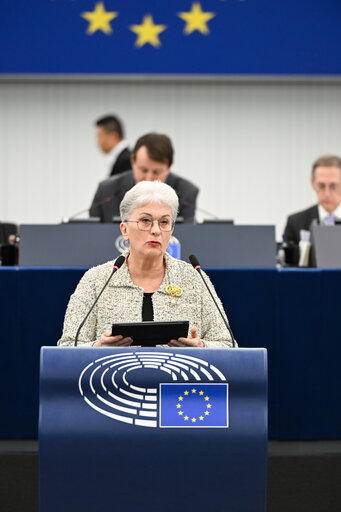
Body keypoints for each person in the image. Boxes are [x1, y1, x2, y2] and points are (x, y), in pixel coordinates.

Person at [58, 181, 233, 348]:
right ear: (125, 230)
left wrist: (202, 346)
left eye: (164, 222)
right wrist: (97, 347)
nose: (156, 230)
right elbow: (66, 346)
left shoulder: (194, 279)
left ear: (171, 229)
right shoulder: (96, 281)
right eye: (145, 221)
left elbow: (228, 344)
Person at [89, 133, 199, 223]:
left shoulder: (186, 192)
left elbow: (185, 237)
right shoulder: (106, 191)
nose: (149, 178)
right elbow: (93, 234)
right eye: (143, 170)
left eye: (156, 172)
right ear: (133, 162)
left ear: (169, 166)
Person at [283, 155, 341, 246]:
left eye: (333, 186)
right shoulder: (295, 223)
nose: (327, 193)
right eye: (321, 186)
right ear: (312, 183)